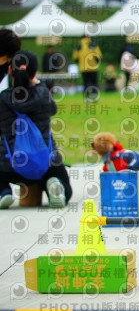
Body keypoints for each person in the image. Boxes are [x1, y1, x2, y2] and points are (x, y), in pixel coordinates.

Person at [0, 51, 72, 208]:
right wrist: (38, 85)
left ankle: (3, 192)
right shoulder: (43, 93)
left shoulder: (3, 98)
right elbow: (53, 110)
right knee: (66, 187)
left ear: (10, 70)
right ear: (34, 73)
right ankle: (54, 185)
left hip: (10, 165)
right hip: (46, 162)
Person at [72, 35, 102, 104]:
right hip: (93, 68)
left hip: (83, 69)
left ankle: (86, 98)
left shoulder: (79, 47)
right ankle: (94, 97)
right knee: (94, 83)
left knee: (85, 83)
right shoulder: (93, 45)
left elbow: (75, 58)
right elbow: (99, 56)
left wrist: (81, 63)